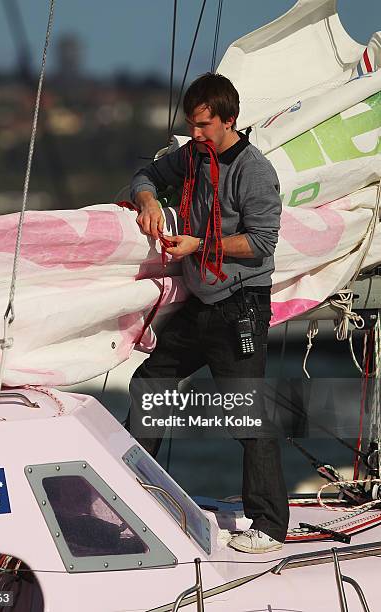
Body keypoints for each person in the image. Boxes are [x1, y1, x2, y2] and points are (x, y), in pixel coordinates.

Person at [125, 73, 289, 553]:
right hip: (202, 304)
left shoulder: (254, 172)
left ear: (229, 120)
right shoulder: (194, 156)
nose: (194, 135)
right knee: (150, 382)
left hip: (240, 308)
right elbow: (147, 174)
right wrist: (149, 200)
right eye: (191, 125)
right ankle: (134, 489)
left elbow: (262, 244)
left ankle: (270, 526)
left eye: (203, 125)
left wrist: (202, 244)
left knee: (246, 416)